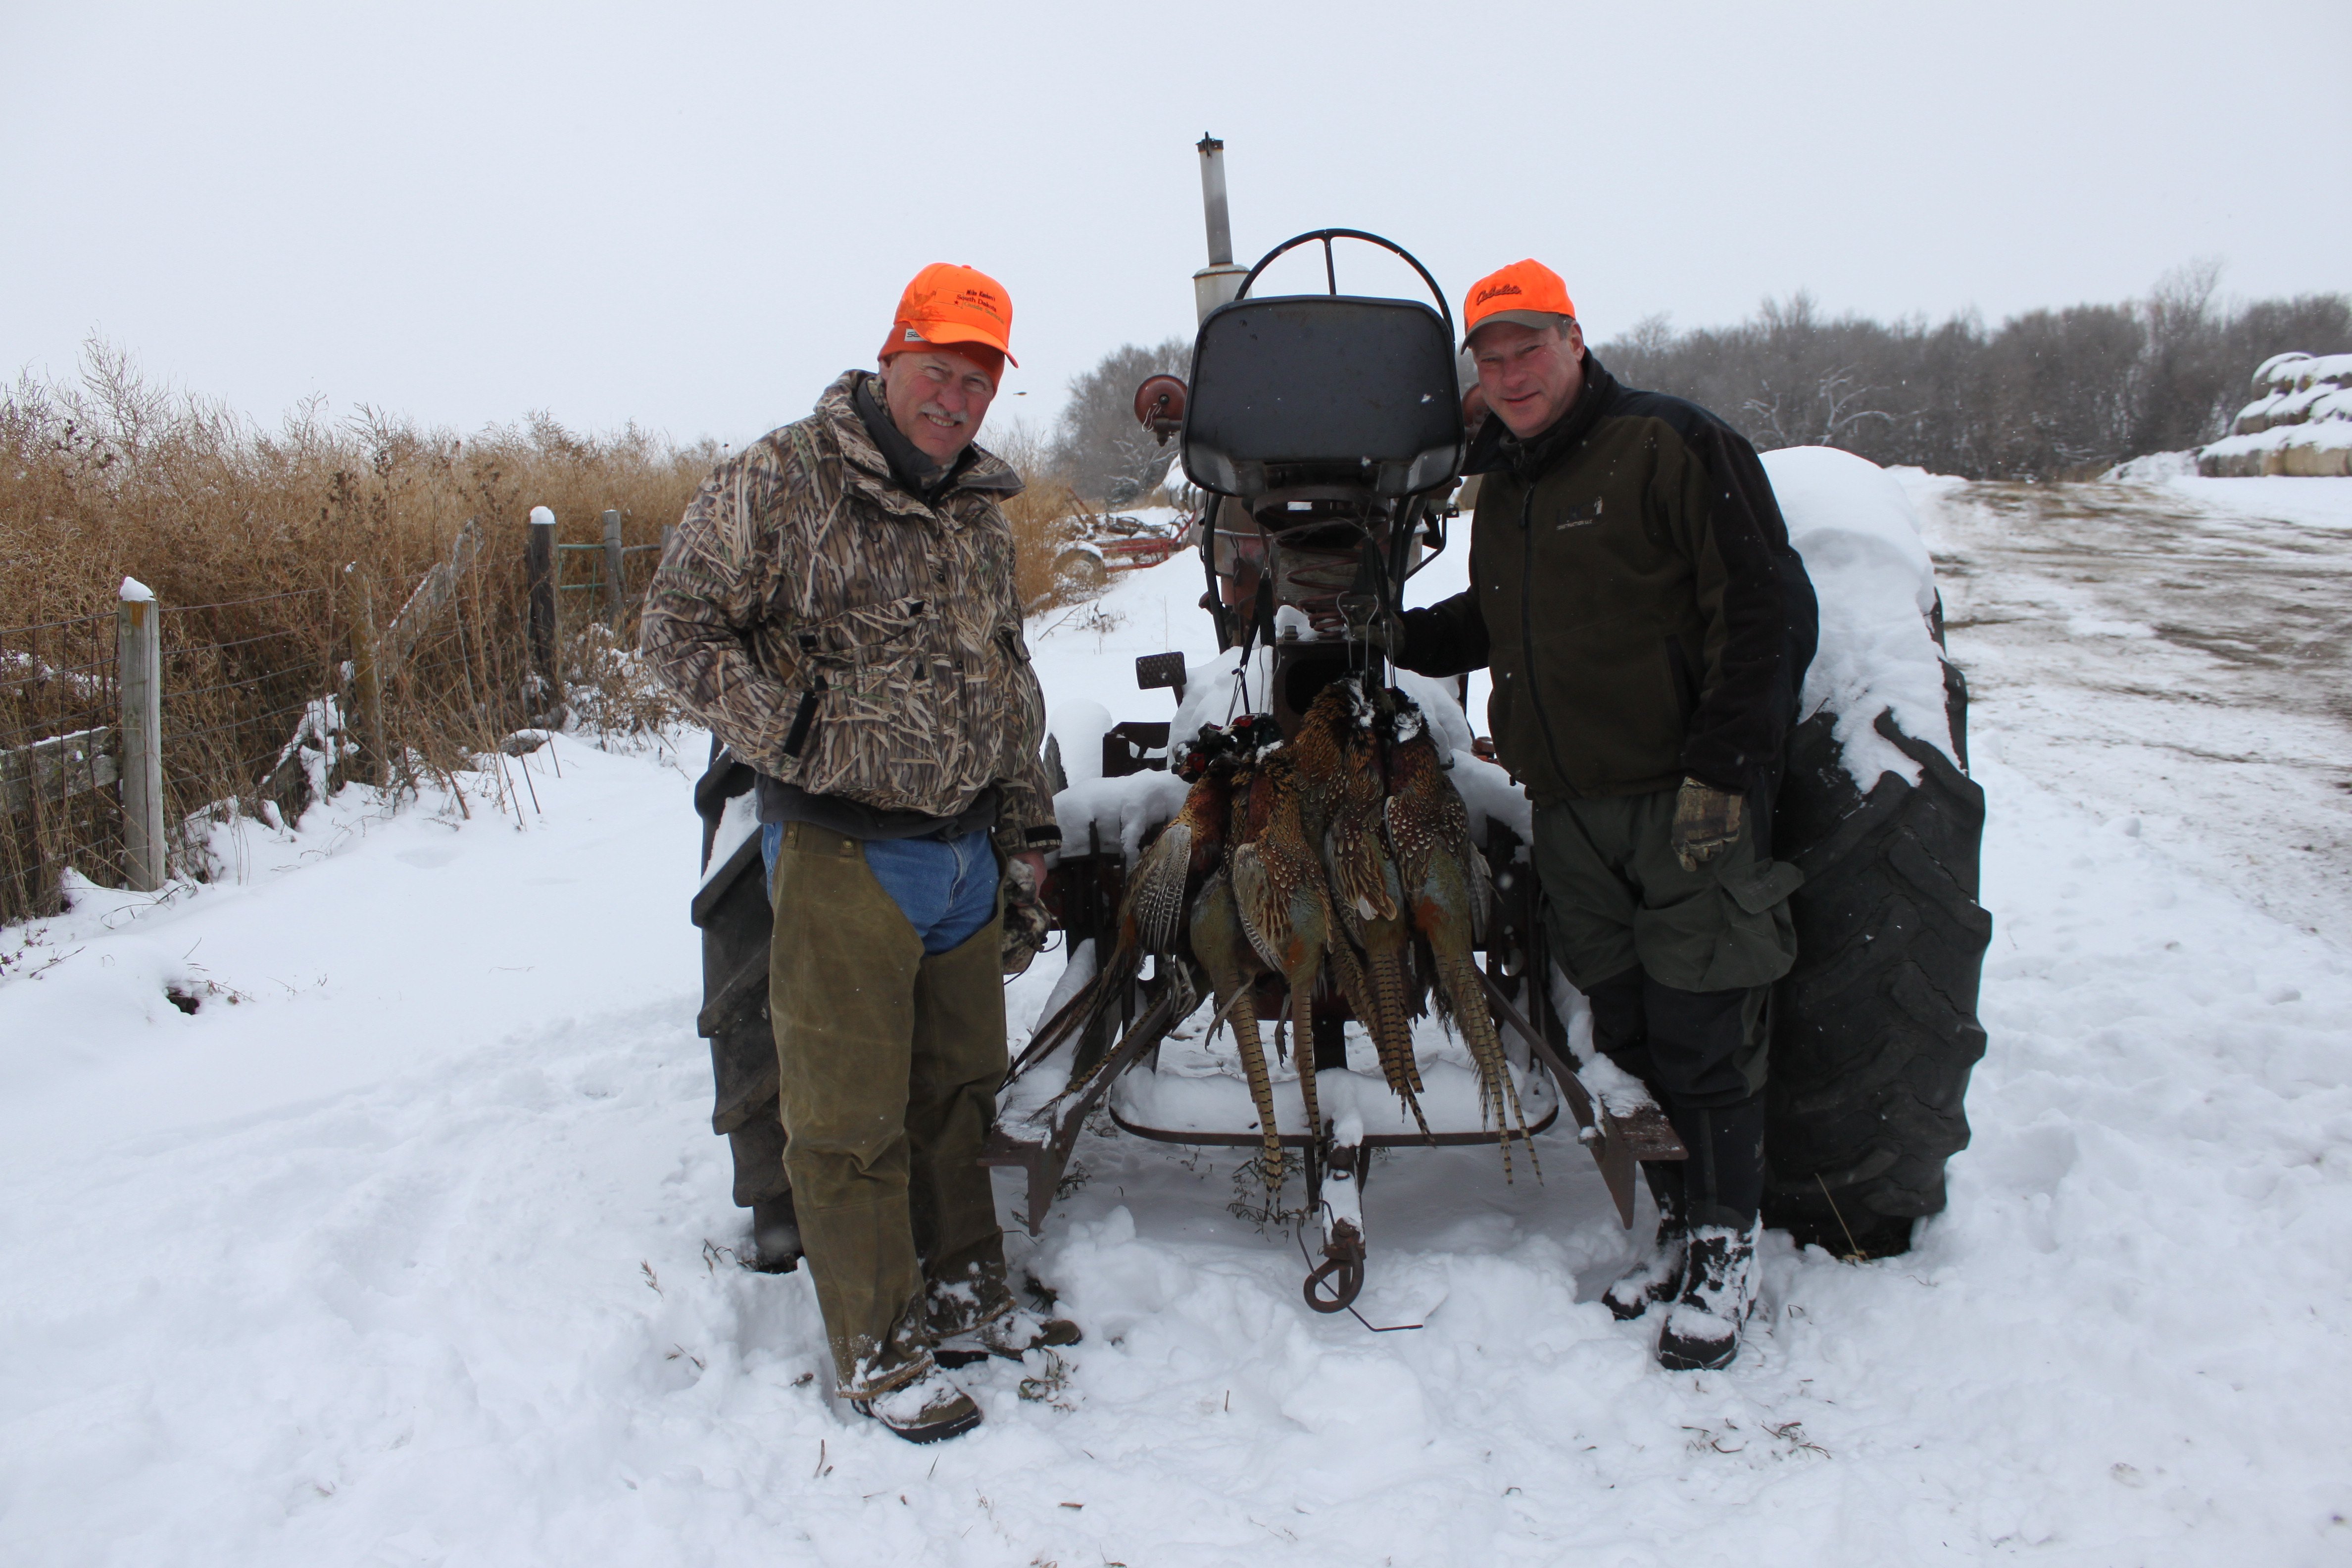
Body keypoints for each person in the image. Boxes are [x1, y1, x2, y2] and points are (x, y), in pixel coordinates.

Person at [639, 262, 1074, 1443]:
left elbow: (1007, 672)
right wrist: (791, 731)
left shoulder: (978, 510)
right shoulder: (784, 479)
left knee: (956, 1098)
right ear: (892, 354)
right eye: (940, 370)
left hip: (963, 857)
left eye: (979, 379)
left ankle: (973, 1295)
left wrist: (1027, 829)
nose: (957, 397)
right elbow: (673, 629)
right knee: (845, 1123)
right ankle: (883, 1354)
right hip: (846, 857)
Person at [1387, 259, 1818, 1371]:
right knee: (1623, 1034)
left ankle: (1728, 1250)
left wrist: (1728, 769)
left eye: (1530, 347)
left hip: (1682, 799)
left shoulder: (1670, 444)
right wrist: (1382, 633)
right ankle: (1677, 1232)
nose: (1512, 372)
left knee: (1702, 1031)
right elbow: (1501, 620)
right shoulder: (1518, 488)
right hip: (1571, 808)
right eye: (1492, 358)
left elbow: (1765, 601)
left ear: (1576, 342)